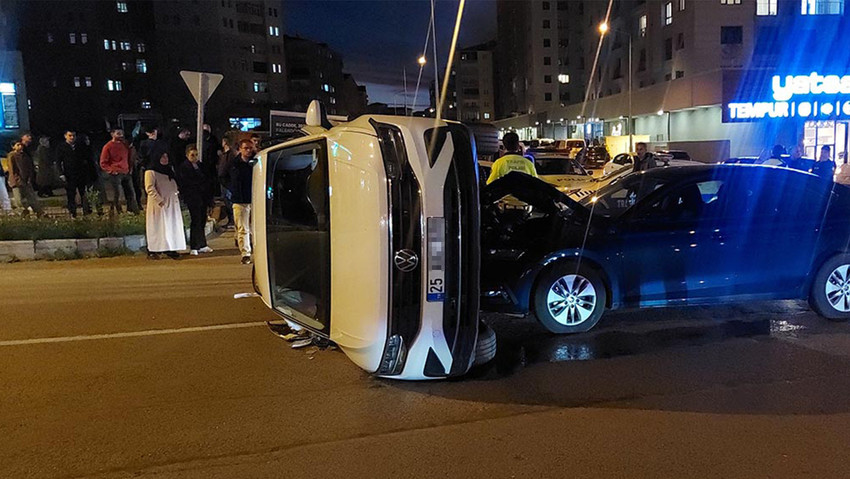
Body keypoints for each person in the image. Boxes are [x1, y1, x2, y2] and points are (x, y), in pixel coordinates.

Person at [144, 148, 185, 259]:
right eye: (162, 157)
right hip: (160, 205)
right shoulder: (151, 172)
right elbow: (150, 188)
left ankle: (171, 248)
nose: (165, 159)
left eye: (166, 157)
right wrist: (160, 200)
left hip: (172, 203)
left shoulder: (169, 170)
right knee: (159, 227)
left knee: (171, 227)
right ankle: (154, 249)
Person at [178, 145, 214, 255]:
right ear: (187, 155)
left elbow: (208, 179)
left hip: (203, 197)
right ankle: (194, 245)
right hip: (193, 197)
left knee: (202, 220)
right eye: (192, 155)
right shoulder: (184, 167)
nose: (195, 157)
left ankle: (202, 244)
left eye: (196, 155)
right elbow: (185, 183)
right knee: (195, 220)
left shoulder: (201, 166)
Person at [226, 139, 257, 264]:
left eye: (250, 148)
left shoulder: (256, 162)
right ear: (240, 149)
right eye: (246, 148)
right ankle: (245, 253)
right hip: (240, 199)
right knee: (242, 228)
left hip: (254, 199)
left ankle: (257, 249)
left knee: (255, 227)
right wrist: (233, 189)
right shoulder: (234, 164)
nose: (248, 151)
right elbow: (223, 176)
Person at [100, 128, 140, 214]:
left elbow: (130, 157)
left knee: (131, 193)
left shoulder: (125, 144)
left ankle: (132, 210)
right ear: (112, 134)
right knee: (117, 194)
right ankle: (118, 211)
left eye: (121, 133)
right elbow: (103, 162)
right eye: (118, 133)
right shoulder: (108, 146)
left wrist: (130, 168)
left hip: (126, 171)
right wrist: (111, 170)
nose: (121, 135)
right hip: (116, 173)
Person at [55, 130, 93, 217]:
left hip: (81, 173)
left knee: (83, 193)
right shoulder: (61, 147)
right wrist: (61, 173)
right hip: (69, 174)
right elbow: (58, 161)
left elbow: (87, 158)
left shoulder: (80, 146)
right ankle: (72, 212)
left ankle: (86, 212)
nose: (72, 137)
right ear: (65, 136)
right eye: (70, 135)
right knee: (71, 194)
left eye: (74, 135)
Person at [8, 140, 43, 215]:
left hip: (26, 180)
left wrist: (29, 178)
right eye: (18, 145)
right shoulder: (12, 155)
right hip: (17, 181)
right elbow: (12, 169)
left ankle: (39, 213)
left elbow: (29, 167)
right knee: (19, 200)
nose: (20, 147)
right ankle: (24, 212)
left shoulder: (25, 155)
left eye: (21, 145)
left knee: (32, 198)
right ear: (13, 147)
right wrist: (16, 179)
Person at [217, 136, 237, 229]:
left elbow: (226, 168)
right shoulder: (225, 155)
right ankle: (231, 220)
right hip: (224, 181)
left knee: (229, 202)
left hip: (227, 182)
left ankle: (232, 221)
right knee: (227, 201)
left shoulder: (230, 155)